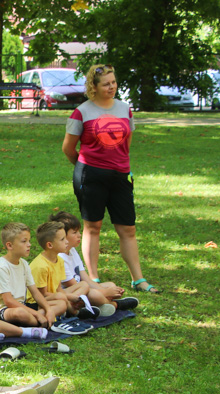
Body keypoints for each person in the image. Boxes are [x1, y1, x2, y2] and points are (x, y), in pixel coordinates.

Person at [62, 63, 160, 293]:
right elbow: (68, 148)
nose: (112, 87)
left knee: (128, 228)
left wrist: (119, 166)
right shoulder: (82, 112)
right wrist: (86, 167)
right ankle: (93, 279)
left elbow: (127, 142)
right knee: (92, 226)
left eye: (114, 82)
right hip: (90, 174)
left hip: (121, 176)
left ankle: (138, 279)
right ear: (93, 87)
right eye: (106, 84)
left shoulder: (125, 109)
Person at [50, 211, 139, 313]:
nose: (79, 235)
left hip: (83, 289)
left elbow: (86, 279)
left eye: (79, 231)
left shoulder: (72, 251)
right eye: (74, 233)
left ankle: (99, 307)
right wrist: (105, 292)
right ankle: (115, 305)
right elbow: (74, 286)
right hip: (72, 293)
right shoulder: (60, 258)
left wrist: (106, 290)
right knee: (96, 295)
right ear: (62, 236)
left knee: (111, 285)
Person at [0, 222, 69, 334]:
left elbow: (35, 292)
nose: (29, 244)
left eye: (29, 241)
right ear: (9, 245)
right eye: (24, 241)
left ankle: (41, 319)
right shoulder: (1, 267)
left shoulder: (24, 264)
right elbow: (9, 301)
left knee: (61, 304)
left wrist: (49, 309)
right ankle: (41, 321)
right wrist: (36, 313)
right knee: (20, 313)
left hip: (23, 306)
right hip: (3, 310)